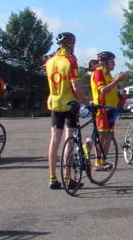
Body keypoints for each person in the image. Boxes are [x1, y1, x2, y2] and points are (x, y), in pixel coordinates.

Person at [44, 32, 88, 190]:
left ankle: (52, 178)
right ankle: (68, 178)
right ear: (71, 44)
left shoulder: (50, 61)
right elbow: (76, 86)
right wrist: (87, 102)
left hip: (55, 104)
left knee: (54, 141)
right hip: (69, 105)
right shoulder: (70, 61)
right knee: (69, 140)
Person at [89, 51, 127, 170]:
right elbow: (103, 91)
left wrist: (122, 96)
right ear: (105, 63)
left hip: (111, 109)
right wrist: (117, 80)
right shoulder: (98, 73)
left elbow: (112, 92)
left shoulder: (108, 74)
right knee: (102, 136)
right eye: (112, 62)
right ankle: (97, 162)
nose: (114, 64)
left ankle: (103, 160)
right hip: (102, 109)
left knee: (109, 136)